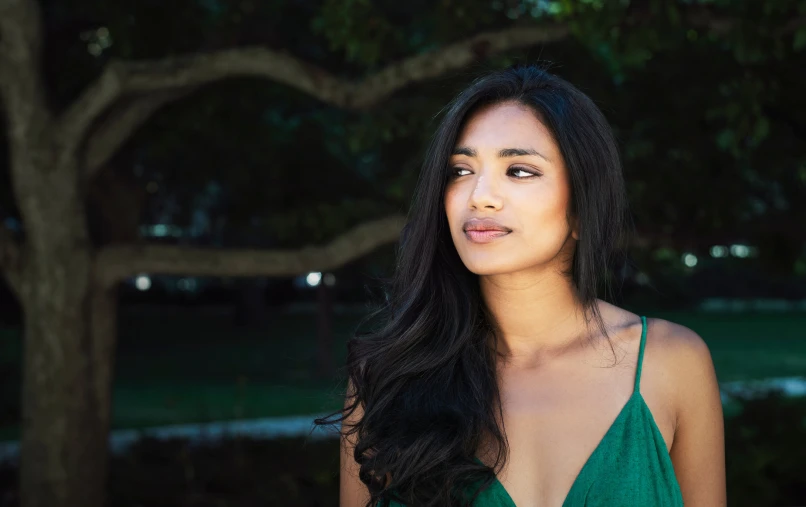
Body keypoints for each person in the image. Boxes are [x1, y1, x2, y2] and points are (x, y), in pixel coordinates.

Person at [317, 63, 726, 507]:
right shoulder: (387, 377)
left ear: (583, 208)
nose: (480, 195)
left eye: (520, 170)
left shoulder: (672, 364)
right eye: (459, 170)